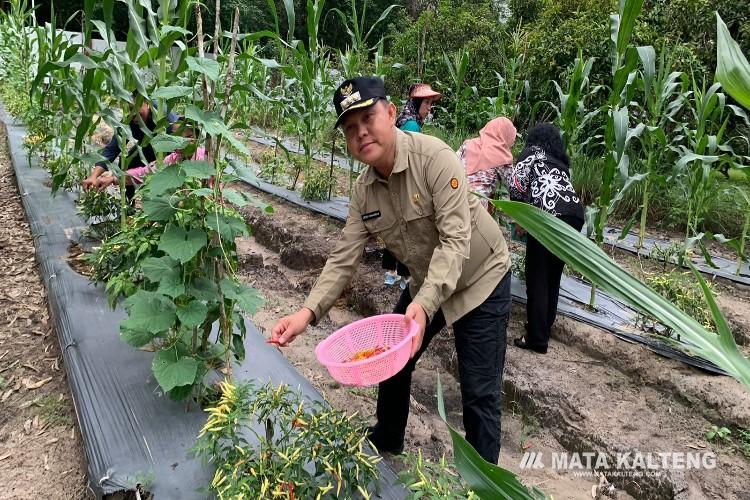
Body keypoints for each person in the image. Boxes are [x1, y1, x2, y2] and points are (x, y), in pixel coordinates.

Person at [271, 77, 512, 464]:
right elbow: (343, 257)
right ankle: (387, 438)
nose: (361, 132)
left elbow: (455, 242)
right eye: (350, 128)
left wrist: (424, 304)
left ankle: (483, 484)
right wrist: (306, 313)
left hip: (480, 277)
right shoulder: (364, 192)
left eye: (368, 118)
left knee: (479, 392)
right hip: (426, 279)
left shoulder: (434, 158)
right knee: (392, 359)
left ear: (391, 113)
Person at [511, 123, 584, 354]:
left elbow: (517, 184)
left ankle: (536, 339)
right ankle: (543, 327)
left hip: (547, 216)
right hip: (574, 215)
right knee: (553, 275)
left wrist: (521, 217)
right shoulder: (560, 161)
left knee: (538, 276)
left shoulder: (530, 153)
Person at [383, 83, 442, 286]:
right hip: (404, 182)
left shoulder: (406, 118)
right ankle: (404, 275)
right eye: (426, 102)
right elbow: (411, 159)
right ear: (416, 103)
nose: (429, 107)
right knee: (408, 228)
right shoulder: (412, 126)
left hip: (396, 180)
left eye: (430, 103)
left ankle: (392, 272)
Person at [82, 97, 178, 194]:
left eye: (134, 108)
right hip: (147, 145)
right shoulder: (129, 119)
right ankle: (128, 204)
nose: (133, 115)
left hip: (169, 149)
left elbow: (178, 149)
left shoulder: (165, 117)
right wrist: (94, 176)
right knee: (125, 165)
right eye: (129, 110)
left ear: (147, 103)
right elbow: (113, 148)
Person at [94, 122, 205, 190]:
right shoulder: (172, 159)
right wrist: (112, 179)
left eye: (183, 138)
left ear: (195, 138)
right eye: (174, 137)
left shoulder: (206, 158)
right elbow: (143, 174)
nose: (177, 142)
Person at [456, 117, 517, 212]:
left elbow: (453, 163)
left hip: (454, 192)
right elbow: (513, 188)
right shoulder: (502, 156)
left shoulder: (468, 144)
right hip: (476, 205)